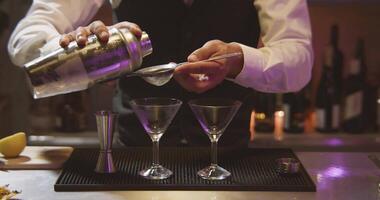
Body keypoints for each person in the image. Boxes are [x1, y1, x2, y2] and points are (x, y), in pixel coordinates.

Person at [8, 0, 313, 146]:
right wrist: (70, 49)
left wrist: (239, 61)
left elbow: (299, 60)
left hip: (229, 162)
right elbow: (29, 35)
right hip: (131, 162)